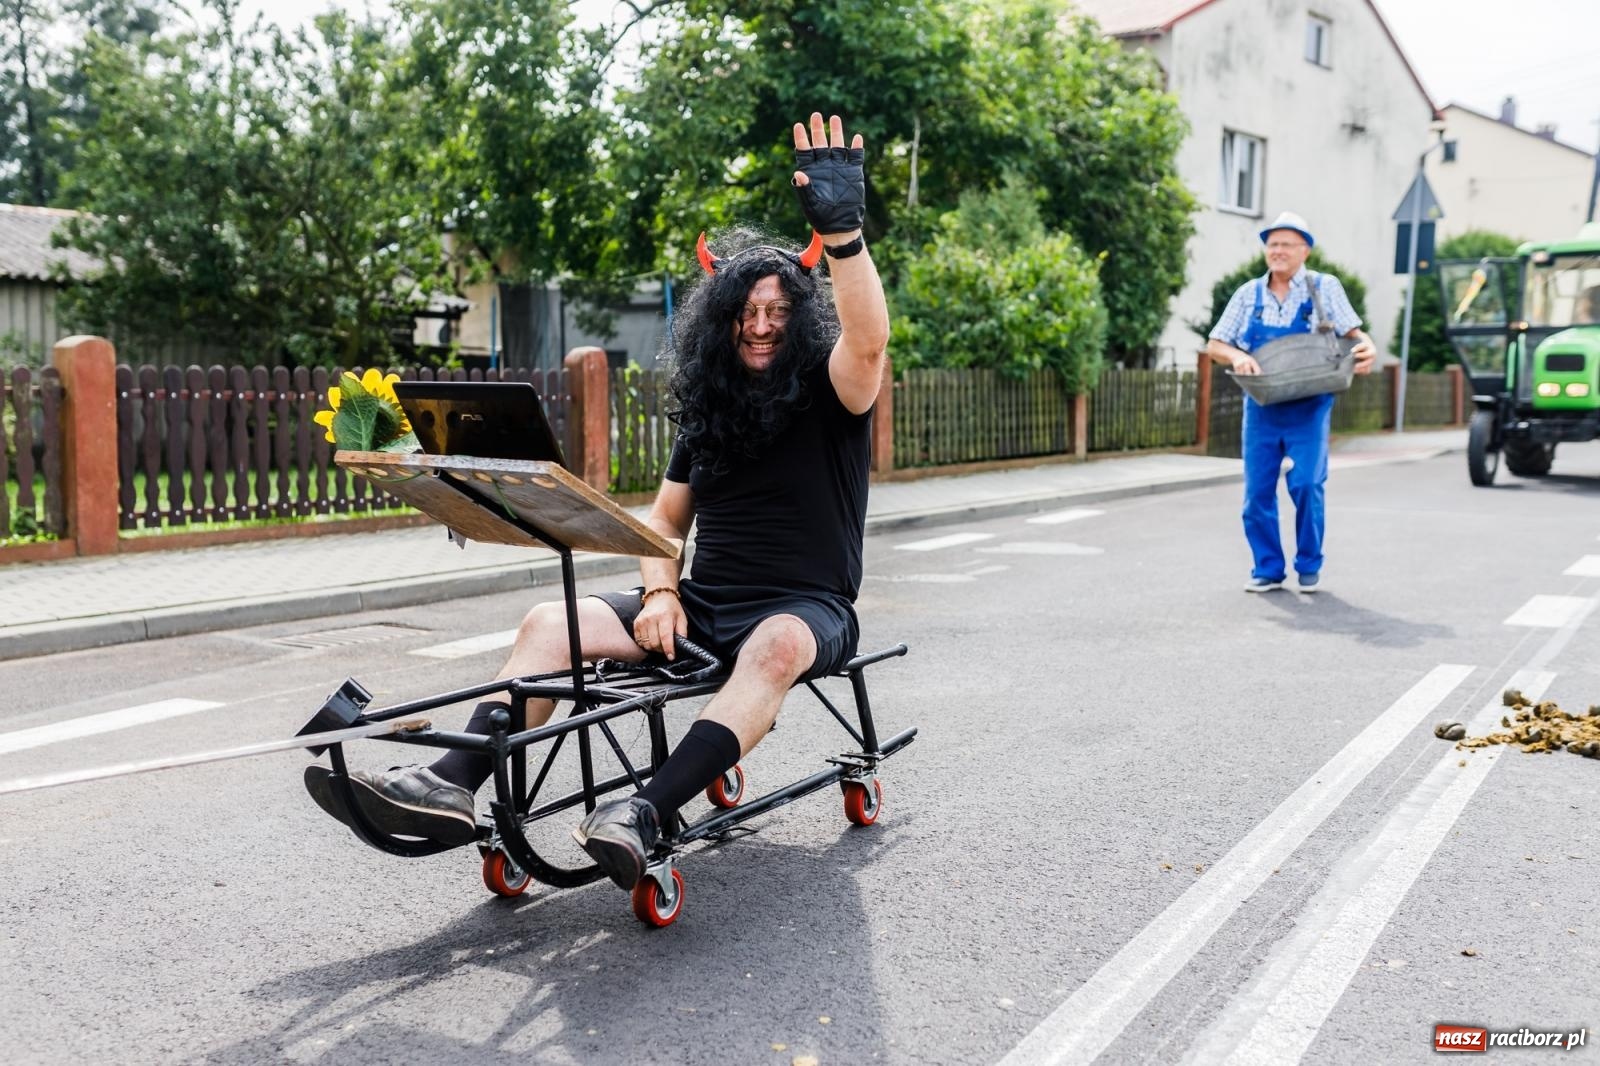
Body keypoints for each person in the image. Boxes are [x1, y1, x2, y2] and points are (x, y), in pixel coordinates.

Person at [305, 112, 889, 893]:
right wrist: (659, 592)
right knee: (551, 620)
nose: (759, 327)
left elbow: (871, 339)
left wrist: (844, 236)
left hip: (806, 609)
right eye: (746, 314)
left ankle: (644, 814)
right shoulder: (712, 411)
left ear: (801, 319)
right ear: (722, 323)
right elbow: (664, 521)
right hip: (705, 605)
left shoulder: (837, 392)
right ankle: (451, 783)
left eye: (778, 314)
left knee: (775, 648)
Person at [1204, 211, 1376, 594]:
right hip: (1262, 407)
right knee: (1257, 494)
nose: (1277, 251)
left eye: (1286, 244)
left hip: (1310, 405)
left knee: (1306, 483)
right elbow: (1215, 343)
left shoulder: (1323, 287)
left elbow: (1354, 335)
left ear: (1305, 250)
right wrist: (1236, 357)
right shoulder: (1248, 294)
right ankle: (1267, 568)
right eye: (1272, 244)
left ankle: (1309, 562)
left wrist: (1369, 348)